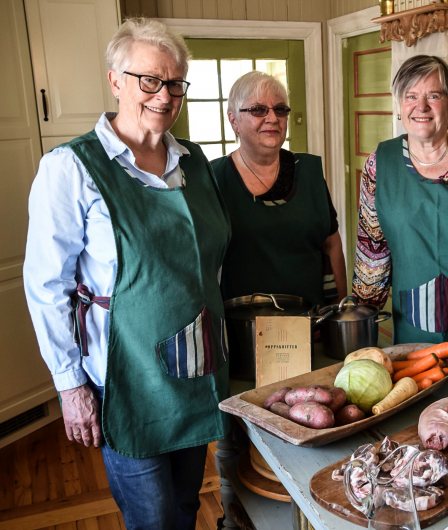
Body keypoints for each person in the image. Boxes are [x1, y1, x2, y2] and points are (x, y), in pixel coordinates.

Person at [23, 18, 230, 530]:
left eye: (175, 83)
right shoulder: (70, 168)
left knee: (186, 504)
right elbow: (46, 287)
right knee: (151, 517)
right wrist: (71, 387)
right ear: (115, 80)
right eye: (150, 80)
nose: (165, 95)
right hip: (126, 375)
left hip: (193, 365)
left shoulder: (194, 161)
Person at [352, 55, 448, 390]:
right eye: (411, 96)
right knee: (418, 405)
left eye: (434, 95)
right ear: (399, 106)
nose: (422, 106)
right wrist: (360, 326)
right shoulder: (379, 163)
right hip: (414, 323)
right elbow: (372, 251)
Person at [213, 71, 346, 311]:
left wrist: (339, 312)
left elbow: (331, 243)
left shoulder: (309, 171)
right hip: (244, 324)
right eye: (258, 110)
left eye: (280, 109)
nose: (273, 118)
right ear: (234, 121)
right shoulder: (214, 178)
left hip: (311, 320)